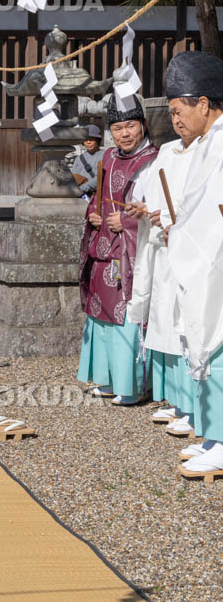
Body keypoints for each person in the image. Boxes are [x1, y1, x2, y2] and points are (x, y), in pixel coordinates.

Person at [154, 51, 223, 476]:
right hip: (206, 255)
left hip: (215, 256)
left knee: (216, 339)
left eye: (180, 111)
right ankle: (215, 434)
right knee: (208, 342)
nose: (176, 121)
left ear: (203, 103)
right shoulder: (205, 144)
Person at [77, 94, 158, 405]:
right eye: (117, 127)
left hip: (129, 251)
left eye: (131, 126)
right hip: (104, 247)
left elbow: (158, 207)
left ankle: (133, 384)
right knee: (100, 317)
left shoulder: (154, 159)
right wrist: (93, 214)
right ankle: (109, 379)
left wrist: (125, 220)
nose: (124, 133)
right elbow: (99, 195)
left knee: (126, 316)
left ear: (143, 125)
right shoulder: (108, 158)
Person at [125, 128, 198, 433]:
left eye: (181, 111)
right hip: (162, 248)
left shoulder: (207, 151)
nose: (177, 120)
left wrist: (172, 218)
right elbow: (153, 198)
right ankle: (176, 400)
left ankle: (195, 408)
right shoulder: (167, 151)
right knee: (165, 325)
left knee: (187, 328)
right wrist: (144, 210)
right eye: (173, 114)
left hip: (188, 250)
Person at [69, 124, 105, 197]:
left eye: (91, 139)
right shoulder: (79, 158)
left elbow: (99, 179)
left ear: (97, 140)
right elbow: (73, 178)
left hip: (96, 196)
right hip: (80, 196)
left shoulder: (104, 155)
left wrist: (81, 189)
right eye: (86, 139)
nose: (88, 142)